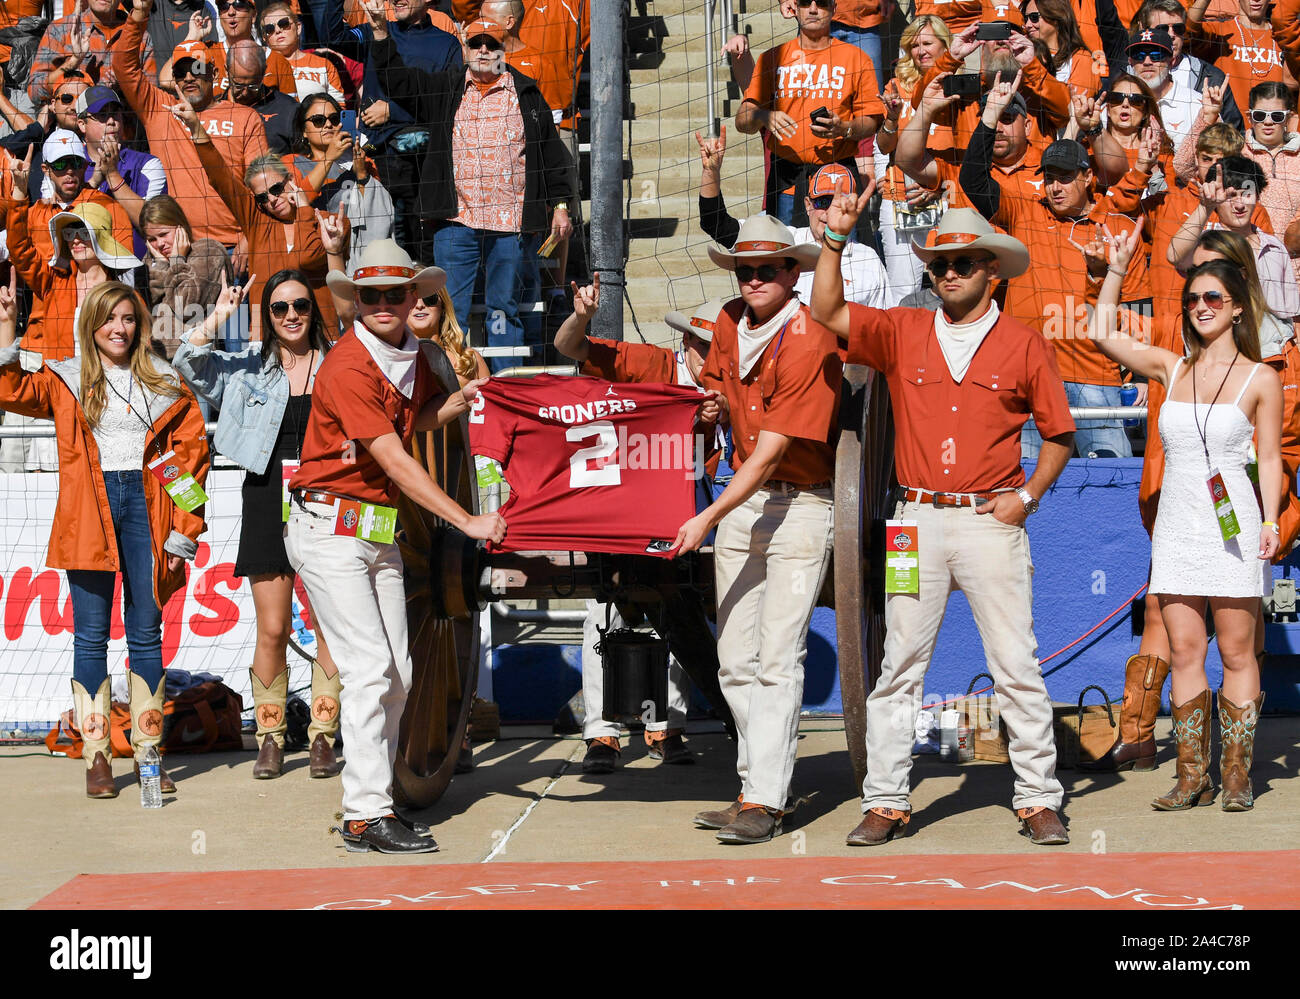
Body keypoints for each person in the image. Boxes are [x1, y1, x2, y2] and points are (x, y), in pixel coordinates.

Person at [812, 200, 1075, 847]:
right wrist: (834, 240)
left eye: (962, 261)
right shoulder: (901, 329)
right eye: (939, 263)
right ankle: (886, 800)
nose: (949, 272)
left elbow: (1060, 433)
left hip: (991, 518)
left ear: (991, 268)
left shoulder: (1023, 342)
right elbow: (827, 313)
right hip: (914, 517)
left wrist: (1030, 495)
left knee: (1016, 664)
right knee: (899, 664)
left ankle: (1039, 797)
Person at [285, 239, 505, 853]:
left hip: (377, 529)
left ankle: (376, 800)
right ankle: (364, 814)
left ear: (415, 297)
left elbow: (413, 424)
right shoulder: (350, 366)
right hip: (330, 528)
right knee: (368, 671)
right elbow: (393, 457)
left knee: (401, 678)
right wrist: (467, 521)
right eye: (370, 295)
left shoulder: (415, 353)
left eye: (394, 293)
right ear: (356, 303)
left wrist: (453, 403)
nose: (383, 304)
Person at [1087, 220, 1281, 812]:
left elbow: (1269, 456)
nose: (1200, 307)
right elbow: (1101, 334)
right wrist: (1118, 270)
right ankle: (1192, 775)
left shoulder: (1261, 377)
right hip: (1177, 526)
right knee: (1187, 652)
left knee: (1237, 653)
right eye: (1192, 298)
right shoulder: (1172, 369)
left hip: (1236, 529)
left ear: (1238, 308)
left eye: (1213, 298)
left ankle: (1238, 776)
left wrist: (1271, 521)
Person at [0, 280, 209, 798]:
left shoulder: (166, 383)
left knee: (146, 630)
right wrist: (7, 326)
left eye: (128, 319)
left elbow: (190, 462)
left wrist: (185, 530)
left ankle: (147, 754)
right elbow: (7, 388)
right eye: (108, 319)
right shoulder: (65, 380)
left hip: (148, 506)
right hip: (88, 511)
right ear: (90, 325)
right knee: (90, 636)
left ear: (139, 326)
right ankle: (96, 756)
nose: (119, 329)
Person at [672, 214, 841, 845]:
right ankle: (761, 784)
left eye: (767, 270)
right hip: (745, 496)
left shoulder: (808, 336)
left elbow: (772, 449)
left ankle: (764, 798)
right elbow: (717, 390)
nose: (754, 280)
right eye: (745, 271)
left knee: (777, 653)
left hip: (803, 500)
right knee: (732, 657)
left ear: (793, 273)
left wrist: (708, 515)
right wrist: (712, 404)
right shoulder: (725, 322)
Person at [174, 268, 345, 779]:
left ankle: (322, 738)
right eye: (279, 308)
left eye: (300, 306)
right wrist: (220, 317)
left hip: (328, 496)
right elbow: (187, 361)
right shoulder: (249, 367)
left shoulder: (337, 363)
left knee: (330, 625)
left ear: (312, 311)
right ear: (266, 317)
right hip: (269, 495)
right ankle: (269, 738)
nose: (291, 315)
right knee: (272, 627)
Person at [553, 279, 723, 771]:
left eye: (719, 352)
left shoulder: (729, 384)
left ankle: (666, 727)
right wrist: (582, 316)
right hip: (624, 503)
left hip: (687, 511)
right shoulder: (655, 363)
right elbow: (569, 346)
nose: (711, 361)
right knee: (601, 609)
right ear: (686, 343)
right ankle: (602, 732)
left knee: (679, 605)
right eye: (704, 350)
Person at [961, 72, 1154, 459]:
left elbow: (1137, 306)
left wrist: (1142, 373)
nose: (1056, 188)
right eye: (1050, 179)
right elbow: (973, 180)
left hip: (1097, 379)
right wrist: (990, 118)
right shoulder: (1026, 213)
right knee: (1027, 479)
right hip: (1030, 378)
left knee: (1110, 483)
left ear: (1088, 177)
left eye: (1066, 179)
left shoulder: (1117, 228)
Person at [368, 10, 574, 371]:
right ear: (464, 49)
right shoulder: (445, 87)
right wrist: (381, 33)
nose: (481, 50)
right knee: (449, 310)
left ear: (502, 51)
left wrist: (559, 205)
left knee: (504, 309)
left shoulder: (526, 93)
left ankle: (505, 388)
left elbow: (551, 155)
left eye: (489, 44)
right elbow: (397, 81)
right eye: (474, 43)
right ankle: (453, 389)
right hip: (455, 221)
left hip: (510, 224)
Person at [2, 155, 142, 472]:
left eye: (82, 232)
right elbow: (19, 246)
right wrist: (20, 196)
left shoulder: (123, 293)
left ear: (100, 236)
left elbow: (141, 350)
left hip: (111, 397)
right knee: (48, 472)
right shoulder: (54, 281)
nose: (75, 240)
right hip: (61, 390)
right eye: (69, 233)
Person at [174, 96, 345, 337]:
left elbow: (307, 258)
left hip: (319, 338)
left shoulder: (329, 224)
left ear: (291, 181)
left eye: (276, 189)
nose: (272, 199)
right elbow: (220, 176)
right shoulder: (259, 221)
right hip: (269, 341)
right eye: (262, 197)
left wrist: (305, 210)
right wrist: (195, 126)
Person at [312, 0, 463, 259]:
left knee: (420, 244)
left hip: (422, 165)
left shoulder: (446, 44)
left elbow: (449, 103)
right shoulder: (375, 31)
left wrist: (394, 111)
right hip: (374, 160)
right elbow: (332, 35)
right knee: (381, 242)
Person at [114, 0, 270, 250]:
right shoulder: (158, 108)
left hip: (235, 246)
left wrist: (250, 234)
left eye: (197, 68)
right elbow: (124, 67)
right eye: (180, 71)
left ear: (215, 74)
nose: (188, 77)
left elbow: (262, 183)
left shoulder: (244, 117)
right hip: (180, 247)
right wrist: (139, 15)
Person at [697, 138, 893, 309]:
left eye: (839, 203)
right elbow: (716, 224)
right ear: (808, 205)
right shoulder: (785, 239)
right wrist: (710, 172)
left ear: (852, 208)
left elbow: (882, 329)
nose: (830, 212)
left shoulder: (869, 259)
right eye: (823, 202)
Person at [736, 0, 884, 227]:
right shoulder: (772, 57)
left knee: (843, 257)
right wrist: (764, 116)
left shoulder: (856, 58)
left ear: (834, 9)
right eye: (805, 2)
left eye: (822, 3)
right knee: (787, 257)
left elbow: (872, 121)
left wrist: (844, 128)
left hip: (837, 175)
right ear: (794, 7)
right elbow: (742, 121)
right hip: (786, 178)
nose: (813, 9)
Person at [1168, 155, 1300, 350]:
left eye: (1247, 194)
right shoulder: (1206, 245)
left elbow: (1292, 313)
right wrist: (1206, 206)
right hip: (1219, 357)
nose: (1239, 205)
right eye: (1230, 196)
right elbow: (1174, 255)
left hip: (1273, 357)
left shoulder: (1275, 247)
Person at [875, 14, 953, 295]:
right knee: (903, 291)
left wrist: (938, 186)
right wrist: (892, 119)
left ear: (946, 45)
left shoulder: (959, 86)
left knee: (947, 286)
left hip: (947, 199)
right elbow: (884, 146)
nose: (921, 51)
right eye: (915, 45)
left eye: (928, 43)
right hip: (900, 201)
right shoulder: (897, 85)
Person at [285, 92, 394, 261]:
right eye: (318, 121)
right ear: (304, 131)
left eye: (334, 119)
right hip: (315, 252)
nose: (328, 125)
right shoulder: (291, 163)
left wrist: (362, 175)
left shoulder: (363, 161)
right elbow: (293, 203)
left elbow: (376, 213)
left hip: (357, 254)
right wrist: (329, 158)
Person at [140, 194, 233, 359]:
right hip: (155, 359)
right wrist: (162, 265)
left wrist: (176, 263)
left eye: (164, 234)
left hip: (197, 358)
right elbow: (145, 304)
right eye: (152, 239)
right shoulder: (148, 261)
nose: (159, 244)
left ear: (180, 226)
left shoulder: (207, 252)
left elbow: (186, 306)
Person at [74, 85, 166, 251]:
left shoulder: (147, 164)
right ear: (82, 124)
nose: (111, 121)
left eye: (115, 113)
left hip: (136, 269)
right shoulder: (69, 165)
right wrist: (94, 182)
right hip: (87, 270)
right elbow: (65, 221)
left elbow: (154, 225)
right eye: (102, 115)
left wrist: (112, 175)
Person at [29, 0, 158, 108]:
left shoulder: (140, 37)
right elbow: (35, 93)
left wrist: (125, 85)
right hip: (73, 132)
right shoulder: (60, 30)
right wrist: (73, 62)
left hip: (123, 131)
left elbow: (152, 101)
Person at [1237, 82, 1300, 280]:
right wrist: (1207, 116)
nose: (1268, 122)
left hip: (1293, 270)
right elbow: (1184, 169)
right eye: (1260, 115)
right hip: (1247, 267)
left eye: (1277, 116)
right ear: (1249, 117)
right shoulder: (1237, 151)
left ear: (1288, 119)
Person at [1185, 0, 1284, 119]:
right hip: (1230, 129)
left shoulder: (1282, 36)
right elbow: (1187, 30)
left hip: (1276, 124)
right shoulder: (1220, 31)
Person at [223, 40, 301, 157]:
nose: (245, 93)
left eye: (253, 86)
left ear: (264, 71)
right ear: (226, 70)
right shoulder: (213, 109)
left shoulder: (289, 110)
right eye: (238, 85)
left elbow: (304, 162)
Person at [260, 2, 344, 103]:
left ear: (298, 27)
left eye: (284, 23)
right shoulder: (259, 67)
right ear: (264, 38)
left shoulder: (323, 65)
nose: (278, 30)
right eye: (269, 29)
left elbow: (339, 106)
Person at [1024, 0, 1104, 98]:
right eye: (1025, 18)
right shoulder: (1024, 54)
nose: (1027, 24)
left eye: (1034, 17)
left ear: (1056, 17)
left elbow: (1076, 107)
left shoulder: (1081, 58)